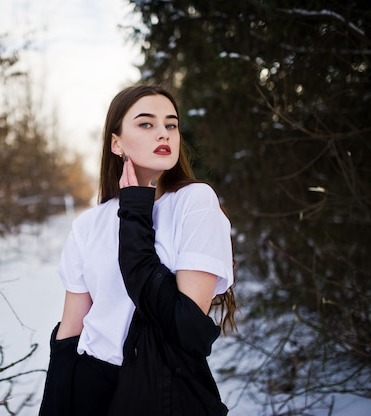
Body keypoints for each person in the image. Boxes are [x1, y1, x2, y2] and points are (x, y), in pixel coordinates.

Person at [39, 84, 236, 416]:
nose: (164, 133)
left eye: (171, 124)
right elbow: (71, 332)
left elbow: (186, 328)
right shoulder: (89, 224)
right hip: (90, 385)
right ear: (116, 142)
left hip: (160, 388)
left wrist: (134, 213)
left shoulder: (195, 202)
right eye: (146, 123)